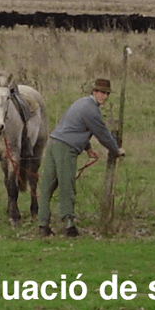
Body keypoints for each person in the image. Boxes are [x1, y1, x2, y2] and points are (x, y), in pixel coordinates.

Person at [38, 79, 126, 238]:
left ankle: (43, 224)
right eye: (101, 92)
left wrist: (88, 148)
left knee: (47, 187)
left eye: (106, 93)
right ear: (94, 91)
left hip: (53, 143)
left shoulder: (81, 103)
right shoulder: (91, 110)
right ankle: (69, 225)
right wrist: (116, 150)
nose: (104, 96)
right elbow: (103, 134)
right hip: (65, 148)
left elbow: (73, 126)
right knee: (67, 186)